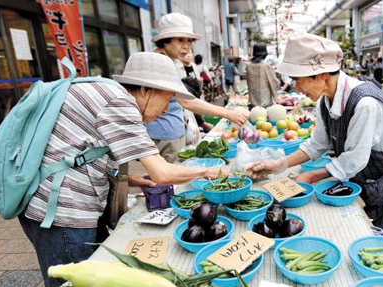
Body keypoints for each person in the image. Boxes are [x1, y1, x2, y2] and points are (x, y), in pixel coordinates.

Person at [20, 52, 227, 287]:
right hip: (61, 212)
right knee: (73, 279)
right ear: (145, 90)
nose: (167, 110)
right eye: (167, 99)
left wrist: (128, 178)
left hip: (58, 203)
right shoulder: (119, 103)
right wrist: (208, 172)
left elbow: (80, 151)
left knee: (92, 270)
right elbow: (162, 173)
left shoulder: (108, 93)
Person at [248, 34, 383, 239]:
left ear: (322, 74)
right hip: (376, 170)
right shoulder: (325, 102)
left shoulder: (364, 104)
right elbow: (316, 144)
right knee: (369, 225)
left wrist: (312, 176)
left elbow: (354, 159)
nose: (296, 88)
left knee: (382, 241)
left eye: (298, 80)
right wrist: (279, 164)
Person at [147, 13, 247, 162]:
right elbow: (186, 101)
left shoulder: (166, 61)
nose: (187, 46)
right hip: (165, 133)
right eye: (180, 40)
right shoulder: (161, 63)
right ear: (165, 41)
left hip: (169, 130)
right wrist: (227, 113)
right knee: (172, 181)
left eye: (190, 41)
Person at [246, 42, 280, 107]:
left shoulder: (249, 66)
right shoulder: (266, 67)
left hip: (253, 102)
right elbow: (274, 82)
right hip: (265, 102)